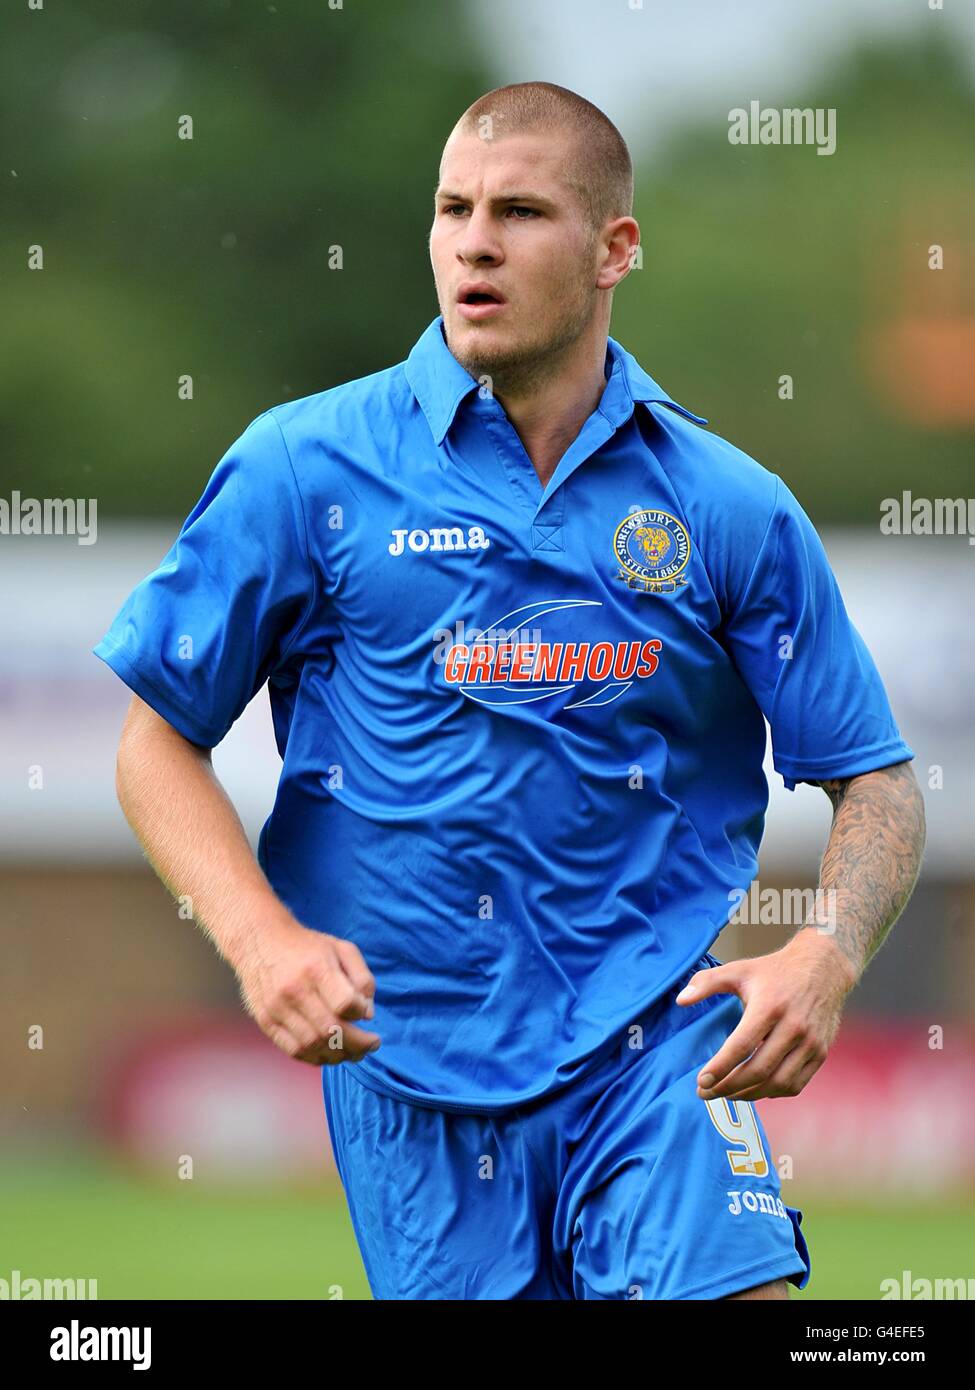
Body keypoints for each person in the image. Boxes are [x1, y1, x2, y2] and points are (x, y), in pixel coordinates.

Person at [94, 81, 925, 1300]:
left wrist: (832, 953)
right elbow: (152, 745)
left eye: (522, 211)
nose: (475, 241)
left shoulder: (727, 505)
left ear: (613, 249)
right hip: (410, 1073)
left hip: (658, 1046)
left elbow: (878, 780)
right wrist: (260, 940)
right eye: (453, 208)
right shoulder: (301, 467)